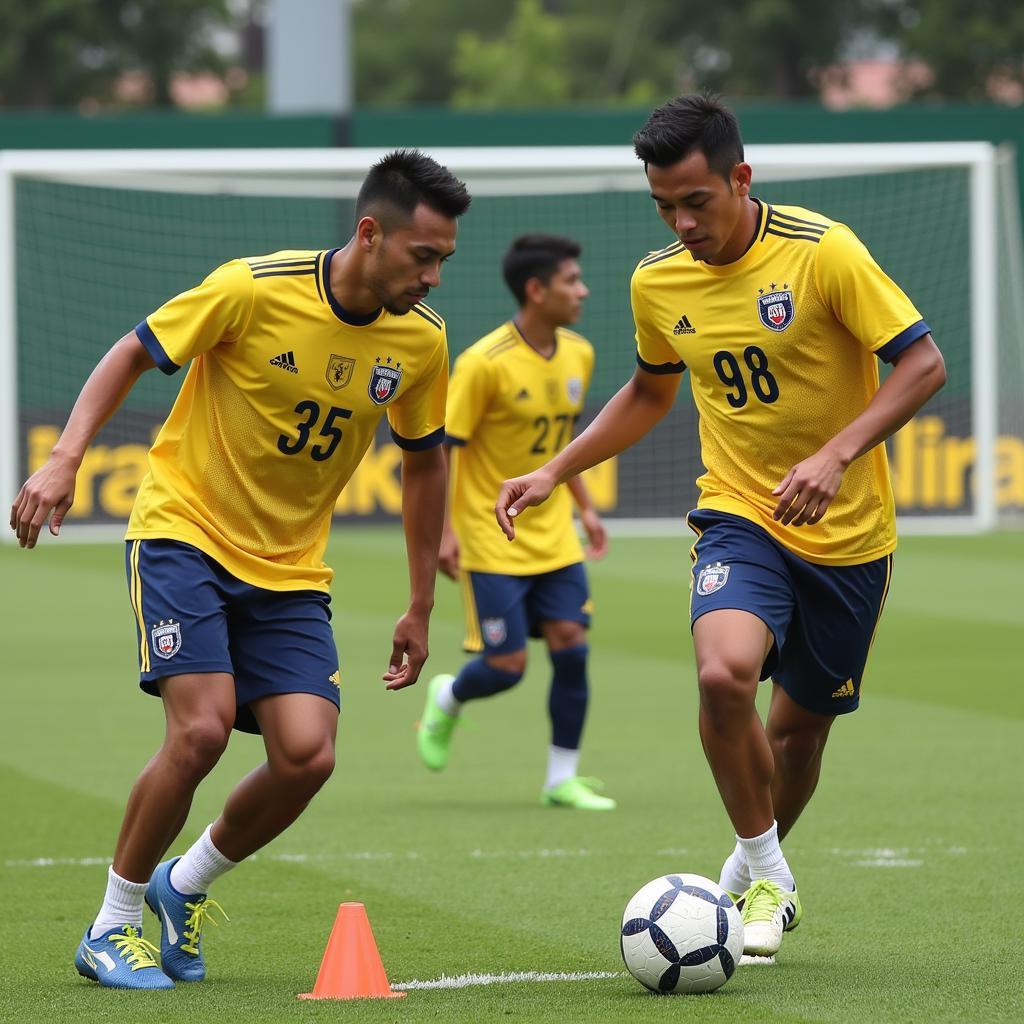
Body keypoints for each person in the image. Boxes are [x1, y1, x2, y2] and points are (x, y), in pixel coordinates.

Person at [496, 95, 946, 957]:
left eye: (696, 200)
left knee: (799, 730)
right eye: (664, 204)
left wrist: (837, 455)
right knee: (722, 676)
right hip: (741, 512)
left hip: (850, 536)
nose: (680, 221)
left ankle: (747, 877)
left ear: (741, 179)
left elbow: (923, 363)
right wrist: (556, 468)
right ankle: (771, 871)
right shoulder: (657, 281)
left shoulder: (825, 254)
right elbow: (650, 393)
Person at [10, 150, 471, 990]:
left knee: (308, 755)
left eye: (444, 259)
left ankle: (181, 886)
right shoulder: (252, 287)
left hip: (290, 569)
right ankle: (110, 928)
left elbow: (426, 464)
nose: (435, 276)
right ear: (370, 233)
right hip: (184, 532)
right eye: (423, 255)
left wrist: (418, 604)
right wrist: (65, 459)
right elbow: (131, 352)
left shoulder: (423, 342)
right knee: (201, 730)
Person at [417, 234, 614, 810]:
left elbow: (562, 448)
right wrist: (447, 533)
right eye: (571, 280)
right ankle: (449, 697)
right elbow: (444, 450)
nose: (582, 290)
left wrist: (586, 509)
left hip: (554, 533)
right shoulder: (483, 364)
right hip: (490, 534)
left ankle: (562, 779)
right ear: (536, 289)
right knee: (507, 667)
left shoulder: (579, 352)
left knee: (572, 646)